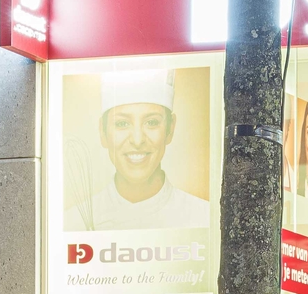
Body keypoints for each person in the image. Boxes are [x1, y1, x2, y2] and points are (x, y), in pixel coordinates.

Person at [65, 70, 212, 230]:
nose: (137, 140)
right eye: (122, 124)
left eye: (151, 122)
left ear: (170, 129)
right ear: (103, 132)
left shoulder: (204, 218)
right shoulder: (73, 223)